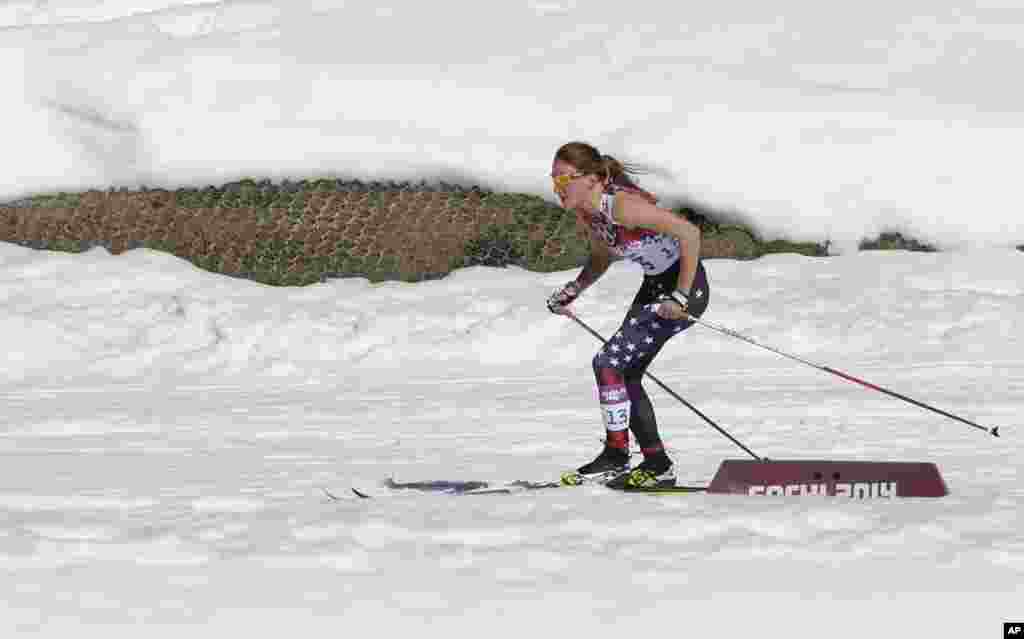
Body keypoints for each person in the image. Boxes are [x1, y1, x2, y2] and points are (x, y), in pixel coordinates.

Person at [546, 141, 710, 489]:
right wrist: (574, 289)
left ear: (590, 179)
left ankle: (616, 456)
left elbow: (690, 234)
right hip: (657, 285)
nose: (556, 188)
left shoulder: (621, 207)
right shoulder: (588, 210)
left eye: (563, 180)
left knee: (608, 363)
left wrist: (680, 295)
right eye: (552, 180)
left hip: (685, 285)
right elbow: (603, 256)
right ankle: (656, 463)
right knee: (624, 372)